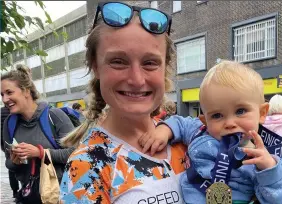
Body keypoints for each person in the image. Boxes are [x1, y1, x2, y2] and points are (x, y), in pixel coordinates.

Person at [59, 2, 187, 203]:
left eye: (150, 63)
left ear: (165, 67)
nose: (137, 79)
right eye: (118, 61)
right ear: (95, 66)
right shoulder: (88, 166)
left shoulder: (184, 138)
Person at [141, 60, 282, 204]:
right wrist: (163, 130)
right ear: (205, 121)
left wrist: (269, 169)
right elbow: (180, 122)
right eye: (217, 115)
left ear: (262, 113)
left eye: (240, 111)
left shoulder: (265, 155)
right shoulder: (200, 131)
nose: (229, 123)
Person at [1, 65, 75, 204]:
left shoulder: (54, 116)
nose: (5, 99)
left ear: (26, 91)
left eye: (9, 92)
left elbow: (75, 153)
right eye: (2, 94)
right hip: (30, 195)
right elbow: (9, 163)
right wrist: (15, 162)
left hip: (60, 195)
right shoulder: (9, 124)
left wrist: (40, 153)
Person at [1, 106, 20, 200]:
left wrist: (3, 146)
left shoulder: (1, 112)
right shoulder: (18, 111)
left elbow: (1, 132)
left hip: (8, 144)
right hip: (18, 142)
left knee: (12, 168)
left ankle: (15, 191)